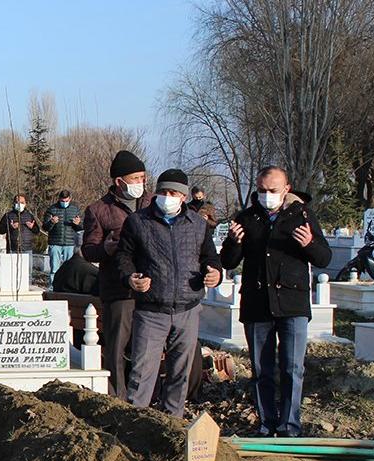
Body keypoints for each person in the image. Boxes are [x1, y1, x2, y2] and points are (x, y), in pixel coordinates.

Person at [220, 166, 330, 437]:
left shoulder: (301, 215)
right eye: (261, 190)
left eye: (272, 191)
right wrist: (233, 242)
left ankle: (290, 425)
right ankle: (266, 424)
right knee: (261, 369)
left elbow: (323, 258)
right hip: (257, 303)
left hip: (292, 303)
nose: (266, 195)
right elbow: (228, 261)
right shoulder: (246, 218)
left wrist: (309, 244)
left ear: (286, 189)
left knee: (293, 367)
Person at [116, 169, 222, 417]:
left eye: (173, 193)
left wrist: (215, 273)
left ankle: (172, 424)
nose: (167, 197)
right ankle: (135, 426)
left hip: (188, 309)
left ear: (183, 197)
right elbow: (124, 256)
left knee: (179, 375)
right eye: (163, 192)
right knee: (141, 375)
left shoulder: (198, 225)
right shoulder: (138, 221)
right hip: (151, 310)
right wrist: (130, 277)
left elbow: (210, 257)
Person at [82, 150, 153, 399]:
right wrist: (106, 248)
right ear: (119, 181)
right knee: (117, 348)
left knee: (146, 347)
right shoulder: (99, 210)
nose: (140, 183)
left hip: (152, 287)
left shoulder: (152, 203)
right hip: (118, 290)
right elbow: (89, 250)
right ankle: (118, 398)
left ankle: (144, 397)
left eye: (143, 177)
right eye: (135, 178)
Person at [43, 189, 82, 287]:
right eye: (62, 201)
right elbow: (45, 227)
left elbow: (81, 227)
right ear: (59, 199)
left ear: (70, 199)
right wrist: (51, 222)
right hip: (55, 243)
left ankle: (68, 287)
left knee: (69, 268)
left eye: (66, 201)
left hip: (70, 243)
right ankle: (53, 287)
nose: (64, 203)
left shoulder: (75, 209)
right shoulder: (51, 209)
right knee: (54, 268)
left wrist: (78, 224)